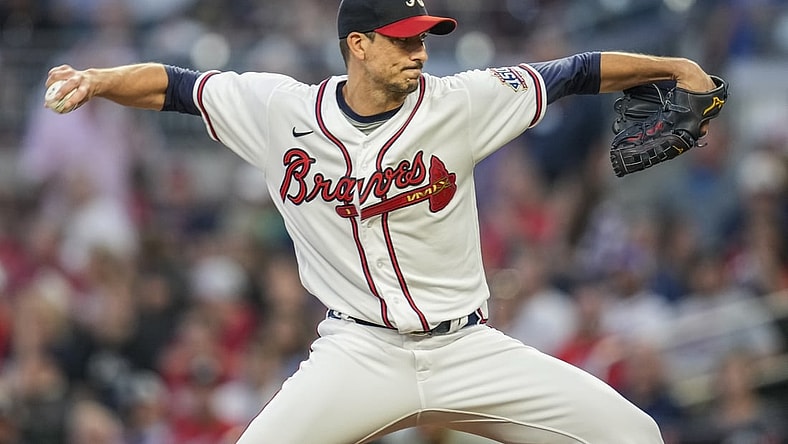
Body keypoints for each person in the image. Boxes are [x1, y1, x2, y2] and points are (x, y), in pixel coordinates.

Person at [42, 1, 720, 442]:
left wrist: (673, 65)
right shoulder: (280, 110)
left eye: (423, 39)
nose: (419, 53)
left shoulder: (462, 100)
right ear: (358, 46)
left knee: (632, 436)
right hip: (358, 352)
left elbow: (574, 71)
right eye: (402, 41)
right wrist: (100, 80)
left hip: (468, 349)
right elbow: (176, 86)